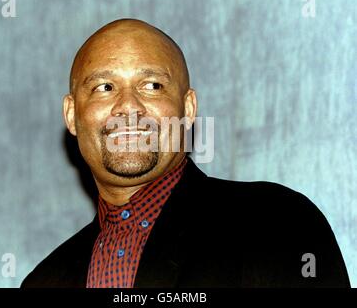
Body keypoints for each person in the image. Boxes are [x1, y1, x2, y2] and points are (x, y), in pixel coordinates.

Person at [21, 18, 350, 288]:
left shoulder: (279, 225)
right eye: (104, 88)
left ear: (188, 108)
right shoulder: (43, 280)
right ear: (71, 115)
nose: (128, 106)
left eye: (152, 86)